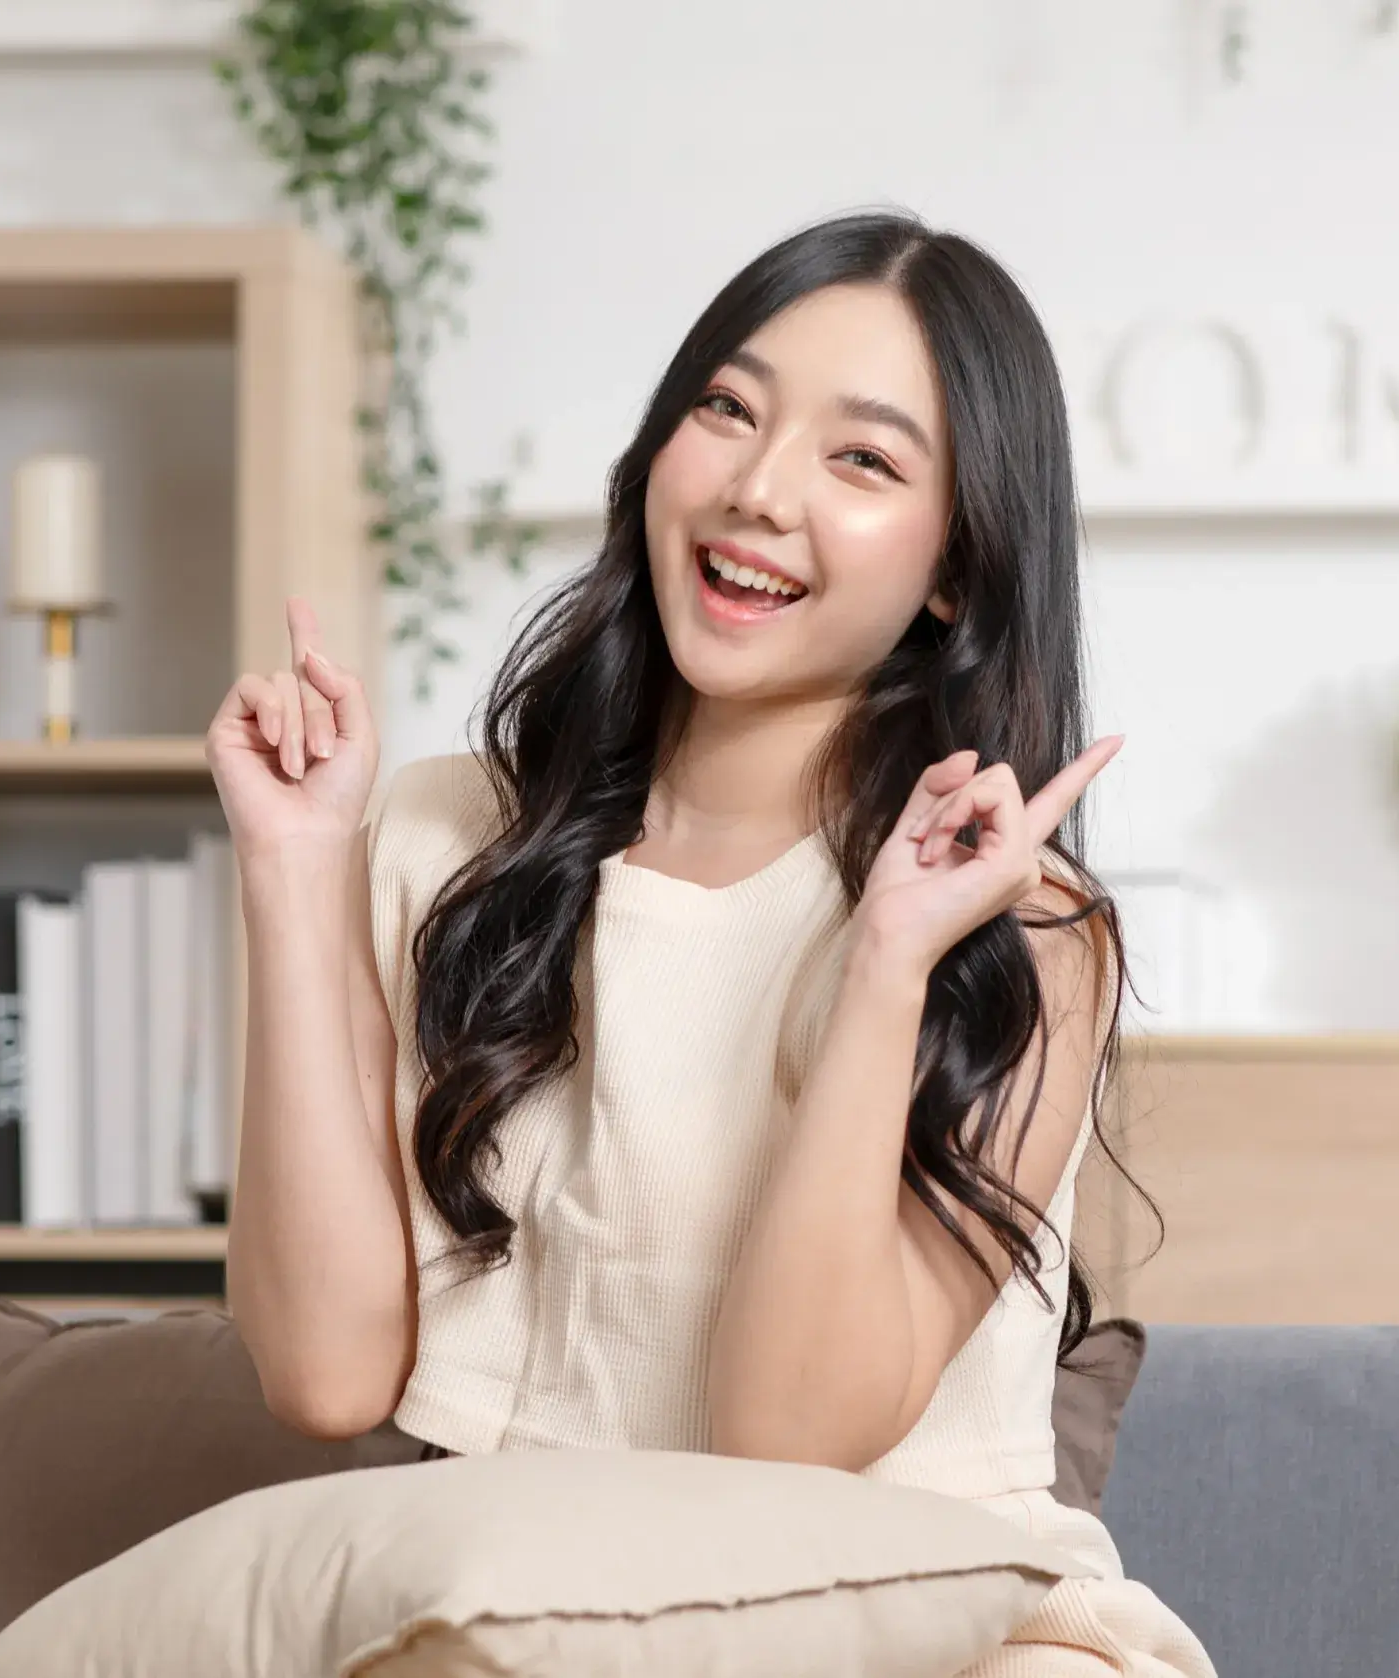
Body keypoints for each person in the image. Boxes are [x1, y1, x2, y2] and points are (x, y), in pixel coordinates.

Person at [206, 210, 1217, 1676]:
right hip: (531, 1605)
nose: (756, 488)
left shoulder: (1023, 929)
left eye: (860, 459)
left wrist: (885, 962)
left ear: (954, 566)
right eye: (726, 409)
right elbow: (321, 1371)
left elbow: (785, 1443)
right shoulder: (444, 844)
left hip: (941, 1613)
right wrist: (297, 872)